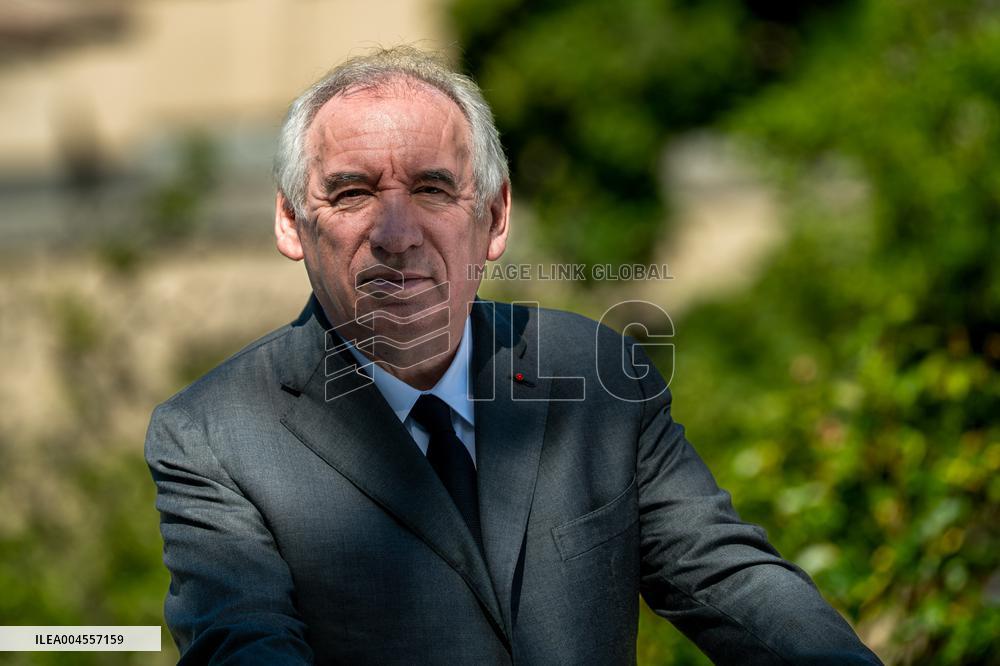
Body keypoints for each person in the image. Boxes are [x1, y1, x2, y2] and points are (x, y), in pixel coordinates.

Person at [145, 46, 882, 665]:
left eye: (433, 189)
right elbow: (244, 647)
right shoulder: (213, 437)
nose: (395, 233)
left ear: (494, 217)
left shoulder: (597, 374)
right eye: (353, 193)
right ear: (290, 221)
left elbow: (729, 582)